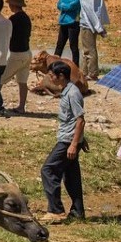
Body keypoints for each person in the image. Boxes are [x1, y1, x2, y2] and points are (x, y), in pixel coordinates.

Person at [41, 60, 86, 223]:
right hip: (70, 138)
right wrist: (81, 140)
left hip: (68, 141)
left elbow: (80, 120)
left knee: (48, 170)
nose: (50, 78)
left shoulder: (73, 93)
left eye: (52, 76)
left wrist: (75, 144)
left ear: (61, 76)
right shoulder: (66, 90)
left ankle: (55, 210)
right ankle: (78, 212)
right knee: (71, 176)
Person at [3, 0, 32, 114]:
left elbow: (6, 34)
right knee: (22, 82)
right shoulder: (26, 17)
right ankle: (21, 106)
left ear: (13, 5)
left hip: (17, 54)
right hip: (27, 53)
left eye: (10, 4)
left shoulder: (13, 19)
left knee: (0, 79)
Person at [77, 0, 108, 81]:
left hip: (87, 25)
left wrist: (99, 27)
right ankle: (84, 72)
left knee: (89, 50)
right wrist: (99, 25)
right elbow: (99, 10)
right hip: (93, 24)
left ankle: (92, 73)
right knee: (87, 49)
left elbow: (90, 12)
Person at [55, 0, 82, 66]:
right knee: (60, 44)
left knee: (73, 46)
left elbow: (72, 6)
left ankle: (75, 65)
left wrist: (64, 5)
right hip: (63, 21)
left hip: (73, 22)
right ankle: (54, 63)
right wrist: (64, 6)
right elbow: (59, 4)